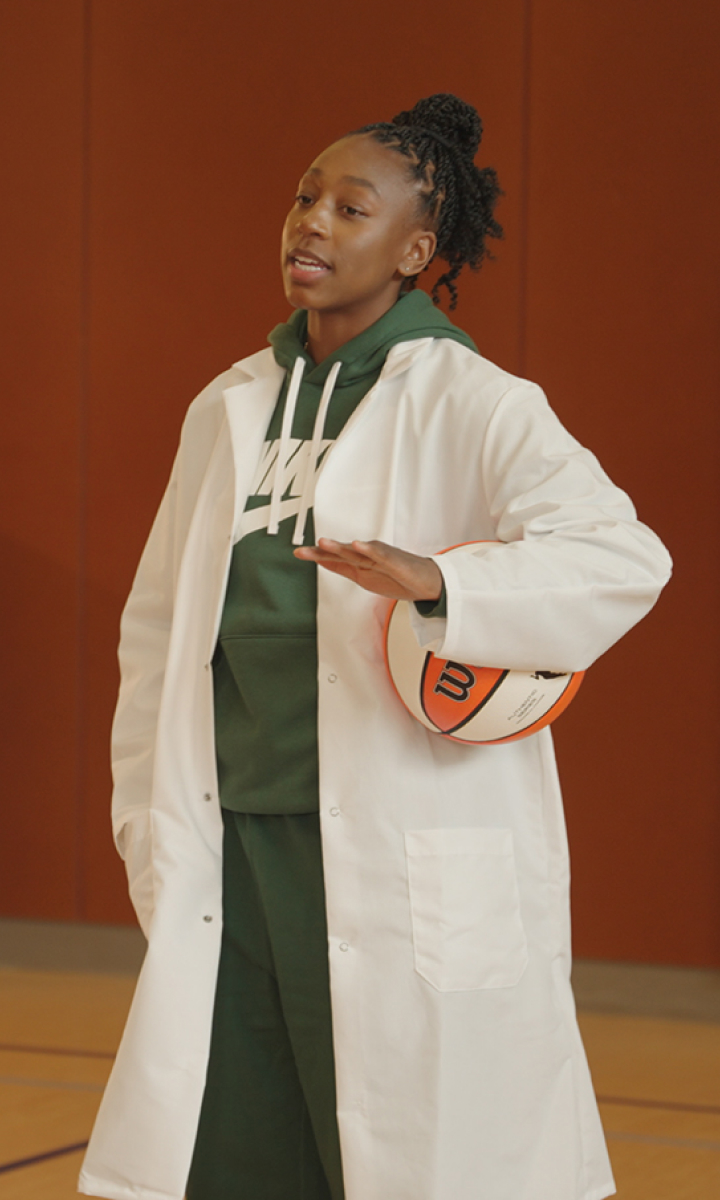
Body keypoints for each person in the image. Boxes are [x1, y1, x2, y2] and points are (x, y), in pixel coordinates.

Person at [79, 94, 672, 1200]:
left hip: (400, 854)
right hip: (234, 847)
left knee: (410, 1157)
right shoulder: (230, 406)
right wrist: (140, 822)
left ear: (415, 251)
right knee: (237, 1155)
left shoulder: (474, 400)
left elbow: (623, 556)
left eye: (352, 208)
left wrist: (446, 581)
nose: (311, 222)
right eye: (306, 197)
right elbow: (157, 634)